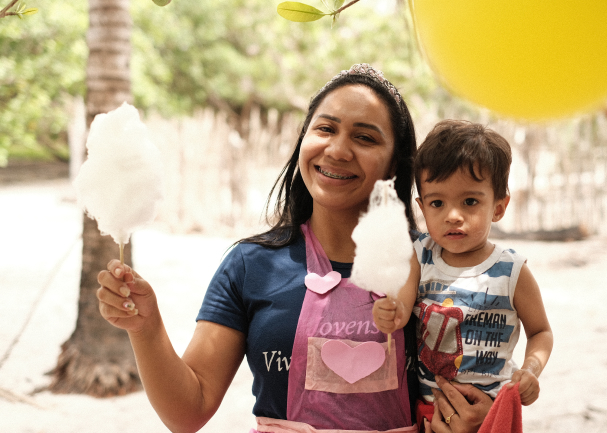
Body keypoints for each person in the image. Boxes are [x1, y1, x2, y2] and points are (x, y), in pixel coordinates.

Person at [96, 65, 493, 433]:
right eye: (325, 129)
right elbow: (188, 410)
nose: (337, 150)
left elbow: (475, 378)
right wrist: (145, 328)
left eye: (364, 137)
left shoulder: (432, 266)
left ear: (394, 165)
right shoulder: (249, 266)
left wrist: (476, 416)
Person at [373, 119, 553, 432]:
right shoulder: (420, 254)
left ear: (498, 207)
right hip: (428, 412)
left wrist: (531, 370)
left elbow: (540, 332)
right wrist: (389, 313)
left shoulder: (511, 271)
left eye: (470, 201)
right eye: (437, 203)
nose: (453, 215)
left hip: (491, 415)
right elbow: (401, 308)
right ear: (422, 207)